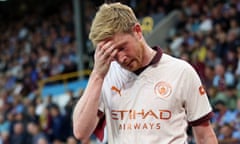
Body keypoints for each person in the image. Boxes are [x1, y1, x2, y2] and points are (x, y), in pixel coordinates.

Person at [72, 2, 218, 144]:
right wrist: (97, 75)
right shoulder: (107, 75)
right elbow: (80, 132)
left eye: (122, 48)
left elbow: (205, 137)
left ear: (137, 31)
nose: (121, 58)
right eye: (112, 54)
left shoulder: (181, 72)